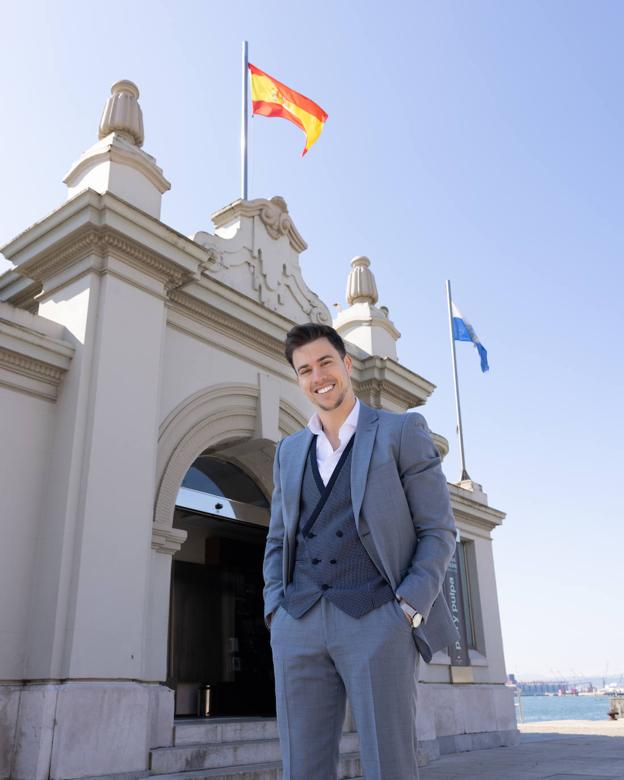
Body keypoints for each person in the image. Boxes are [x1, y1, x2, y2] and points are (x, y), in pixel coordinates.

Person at [263, 323, 458, 780]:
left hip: (378, 619)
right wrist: (276, 609)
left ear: (346, 364)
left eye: (326, 362)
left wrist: (408, 609)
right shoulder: (289, 451)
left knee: (389, 765)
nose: (318, 376)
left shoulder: (400, 431)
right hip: (298, 622)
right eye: (305, 369)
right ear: (298, 379)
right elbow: (277, 539)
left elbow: (438, 530)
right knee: (301, 768)